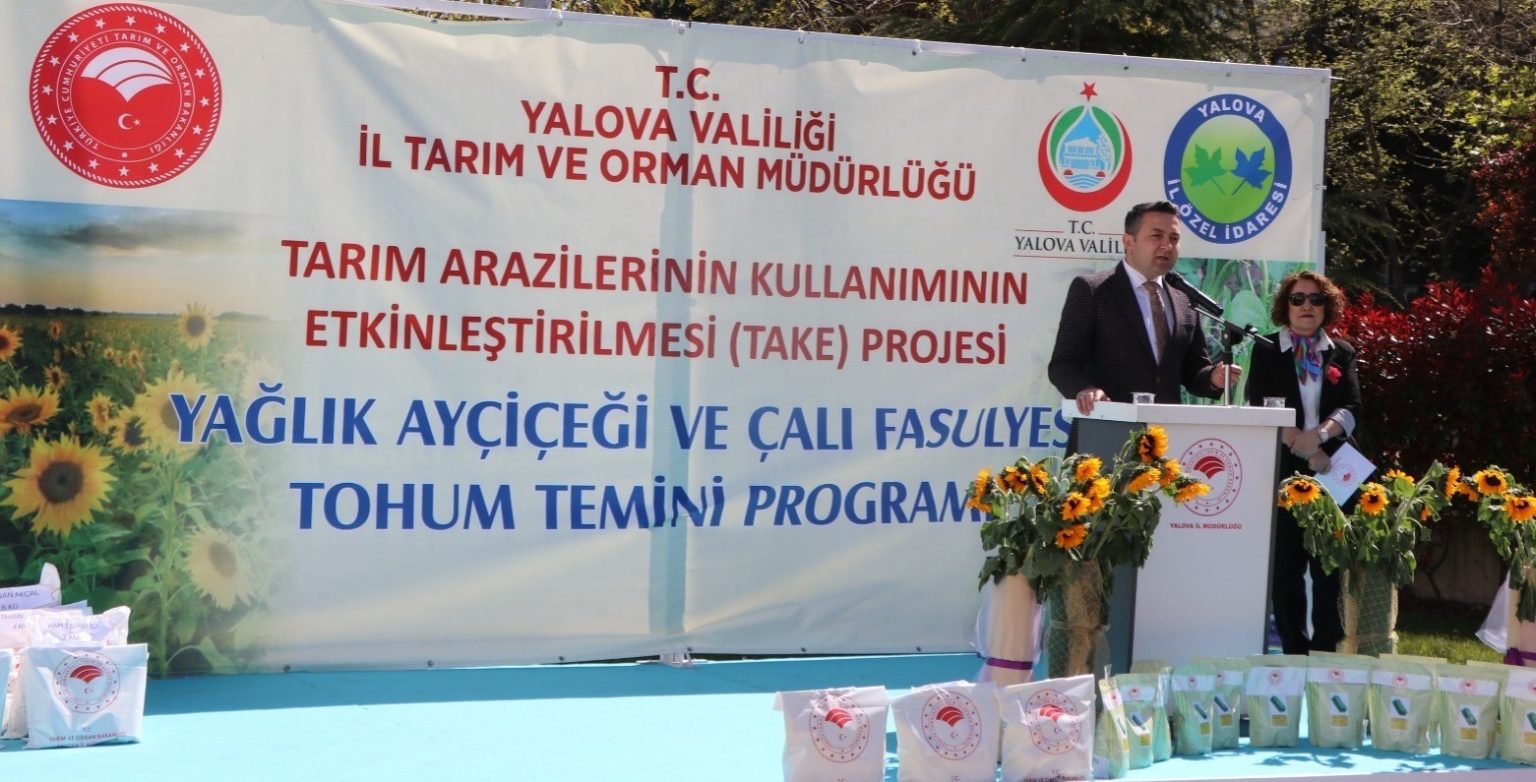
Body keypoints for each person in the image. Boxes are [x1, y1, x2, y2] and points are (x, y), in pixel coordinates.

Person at [1048, 201, 1240, 451]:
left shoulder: (1183, 300)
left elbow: (1193, 372)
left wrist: (1213, 377)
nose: (1167, 245)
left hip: (1165, 441)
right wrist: (1084, 390)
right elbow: (1062, 364)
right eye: (1156, 236)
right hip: (1105, 434)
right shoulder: (1093, 290)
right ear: (1129, 242)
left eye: (1174, 238)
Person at [1245, 270, 1360, 654]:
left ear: (1327, 306)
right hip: (1284, 466)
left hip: (1333, 467)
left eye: (1315, 299)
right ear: (1286, 305)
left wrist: (1322, 437)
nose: (1306, 306)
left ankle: (1327, 650)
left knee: (1329, 565)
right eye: (1298, 299)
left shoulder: (1341, 351)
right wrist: (1305, 446)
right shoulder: (1266, 350)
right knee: (1286, 567)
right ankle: (1294, 651)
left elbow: (1353, 408)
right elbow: (1260, 405)